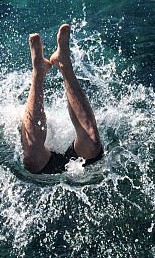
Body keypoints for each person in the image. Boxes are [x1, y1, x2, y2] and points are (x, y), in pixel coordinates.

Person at [20, 23, 104, 174]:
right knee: (32, 158)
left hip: (79, 163)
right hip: (45, 166)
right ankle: (39, 70)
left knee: (92, 141)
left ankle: (63, 62)